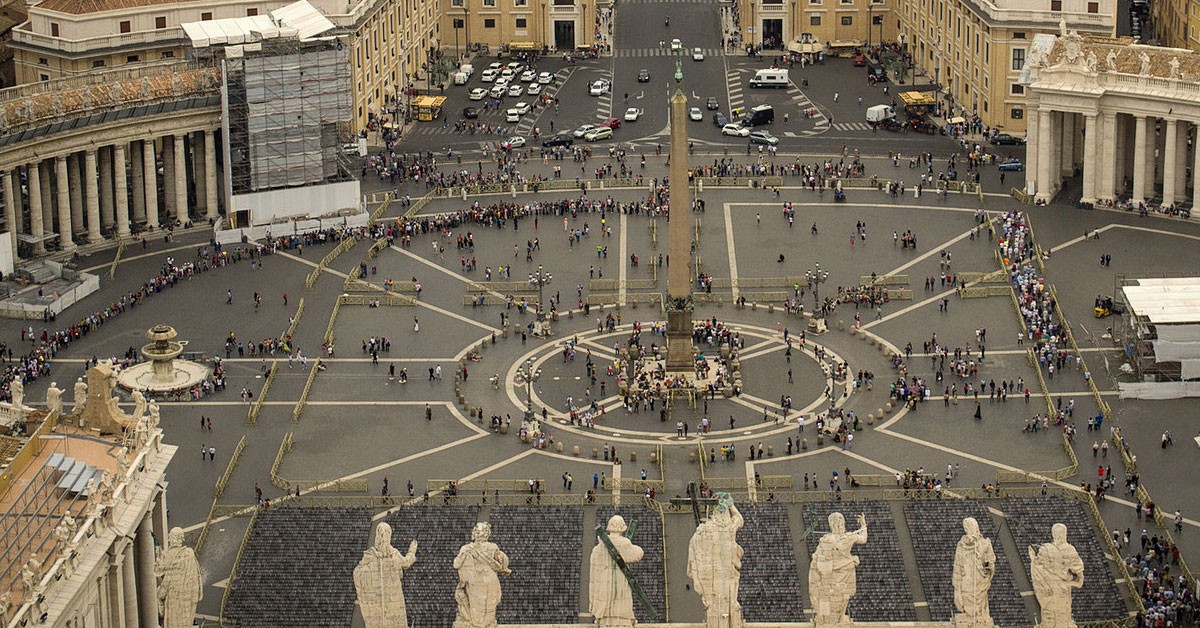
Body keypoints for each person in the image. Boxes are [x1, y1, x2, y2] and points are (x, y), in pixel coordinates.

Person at [687, 493, 744, 628]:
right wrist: (732, 506)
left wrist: (731, 506)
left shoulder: (729, 527)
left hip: (728, 572)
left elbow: (739, 520)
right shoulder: (708, 528)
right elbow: (739, 519)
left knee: (729, 601)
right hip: (714, 572)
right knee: (716, 603)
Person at [354, 522, 418, 628]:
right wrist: (412, 551)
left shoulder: (372, 556)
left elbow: (358, 573)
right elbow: (406, 562)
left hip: (391, 598)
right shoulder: (390, 555)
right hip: (386, 599)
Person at [809, 512, 868, 627]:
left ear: (831, 524)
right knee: (841, 597)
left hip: (833, 574)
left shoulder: (826, 540)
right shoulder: (848, 537)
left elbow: (817, 559)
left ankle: (834, 620)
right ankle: (835, 620)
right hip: (842, 572)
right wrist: (863, 525)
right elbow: (863, 538)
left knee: (837, 597)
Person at [589, 515, 645, 628]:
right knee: (620, 605)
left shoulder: (597, 549)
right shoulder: (624, 543)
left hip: (604, 582)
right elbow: (637, 554)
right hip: (620, 579)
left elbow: (594, 571)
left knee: (607, 608)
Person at [453, 522, 511, 628]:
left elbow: (501, 561)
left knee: (489, 605)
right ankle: (478, 625)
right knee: (477, 605)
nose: (481, 534)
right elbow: (456, 564)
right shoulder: (467, 548)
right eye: (478, 532)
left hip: (487, 580)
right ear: (474, 533)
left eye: (483, 532)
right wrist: (463, 555)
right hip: (476, 581)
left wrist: (501, 558)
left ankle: (486, 624)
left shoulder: (491, 547)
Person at [1029, 523, 1084, 628]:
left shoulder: (1045, 550)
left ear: (1053, 534)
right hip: (1062, 595)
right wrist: (1066, 584)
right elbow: (1080, 582)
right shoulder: (1069, 550)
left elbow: (1037, 570)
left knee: (1051, 619)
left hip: (1049, 595)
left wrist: (1033, 557)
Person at [156, 528, 202, 628]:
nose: (169, 540)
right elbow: (196, 578)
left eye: (170, 537)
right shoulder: (189, 553)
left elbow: (160, 573)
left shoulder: (170, 555)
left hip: (174, 597)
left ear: (173, 538)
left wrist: (160, 594)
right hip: (188, 597)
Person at [953, 517, 995, 626]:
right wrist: (957, 588)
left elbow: (991, 562)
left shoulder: (985, 543)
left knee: (980, 609)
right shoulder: (961, 546)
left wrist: (988, 567)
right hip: (967, 581)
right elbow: (957, 568)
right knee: (969, 606)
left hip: (980, 580)